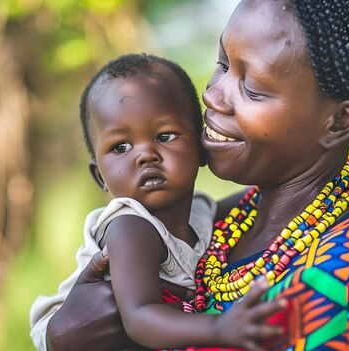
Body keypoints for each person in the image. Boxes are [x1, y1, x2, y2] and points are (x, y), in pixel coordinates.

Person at [32, 0, 349, 350]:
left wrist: (69, 339)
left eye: (253, 87)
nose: (211, 94)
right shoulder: (215, 225)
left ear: (337, 122)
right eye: (223, 64)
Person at [30, 53, 287, 351]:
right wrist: (220, 326)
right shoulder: (130, 228)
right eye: (121, 146)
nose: (145, 155)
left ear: (202, 148)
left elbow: (258, 197)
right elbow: (139, 318)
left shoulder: (199, 212)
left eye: (165, 136)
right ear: (99, 175)